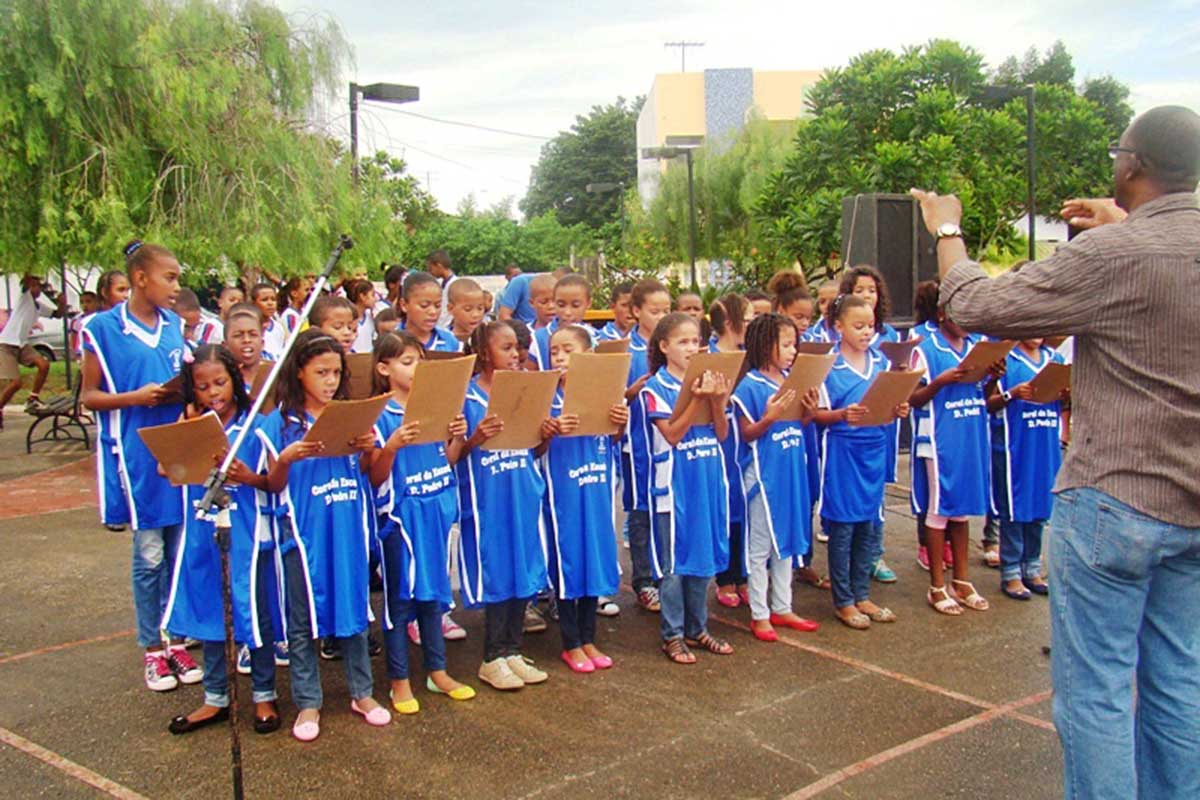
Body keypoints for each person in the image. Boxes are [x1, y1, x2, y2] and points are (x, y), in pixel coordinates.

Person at [912, 105, 1200, 800]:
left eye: (1117, 152)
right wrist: (1128, 223)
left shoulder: (1114, 255)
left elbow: (979, 304)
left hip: (1115, 498)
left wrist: (947, 230)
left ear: (1133, 165)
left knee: (1096, 691)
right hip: (1191, 507)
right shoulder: (1139, 244)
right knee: (1178, 681)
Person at [256, 329, 391, 741]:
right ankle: (307, 701)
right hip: (303, 532)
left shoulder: (353, 414)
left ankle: (362, 693)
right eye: (321, 372)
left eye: (336, 372)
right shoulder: (279, 424)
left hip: (348, 527)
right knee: (302, 619)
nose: (330, 381)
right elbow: (271, 484)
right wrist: (285, 458)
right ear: (299, 373)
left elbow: (372, 473)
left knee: (353, 611)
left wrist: (370, 448)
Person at [80, 241, 201, 691]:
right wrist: (137, 397)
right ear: (139, 278)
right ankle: (153, 647)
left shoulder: (174, 326)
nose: (176, 287)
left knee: (179, 547)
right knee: (149, 552)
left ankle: (177, 640)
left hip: (176, 446)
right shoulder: (102, 329)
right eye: (169, 278)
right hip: (135, 450)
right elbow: (89, 396)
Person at [163, 345, 282, 735]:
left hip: (250, 532)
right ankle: (215, 696)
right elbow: (168, 470)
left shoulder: (256, 424)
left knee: (256, 614)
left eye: (220, 382)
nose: (213, 392)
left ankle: (264, 692)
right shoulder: (190, 424)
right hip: (203, 530)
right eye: (202, 386)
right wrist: (183, 444)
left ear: (235, 380)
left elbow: (273, 482)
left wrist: (247, 477)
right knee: (211, 611)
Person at [368, 331, 476, 712]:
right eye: (406, 362)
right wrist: (393, 444)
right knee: (400, 600)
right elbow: (375, 475)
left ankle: (438, 670)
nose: (416, 369)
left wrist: (458, 439)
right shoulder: (379, 414)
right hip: (401, 517)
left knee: (433, 598)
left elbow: (445, 459)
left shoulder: (436, 405)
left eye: (419, 361)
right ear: (384, 368)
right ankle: (399, 680)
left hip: (436, 508)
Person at [456, 321, 551, 690]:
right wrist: (476, 437)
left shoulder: (526, 391)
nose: (517, 355)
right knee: (497, 573)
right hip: (488, 500)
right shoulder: (467, 397)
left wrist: (545, 436)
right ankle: (492, 656)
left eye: (519, 348)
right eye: (507, 348)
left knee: (523, 569)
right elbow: (453, 453)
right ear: (484, 352)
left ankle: (513, 650)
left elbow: (535, 449)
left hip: (523, 492)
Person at [641, 312, 734, 664]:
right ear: (664, 346)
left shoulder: (712, 380)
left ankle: (698, 628)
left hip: (707, 478)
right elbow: (674, 435)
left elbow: (722, 433)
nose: (691, 348)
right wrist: (697, 397)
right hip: (674, 487)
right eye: (682, 341)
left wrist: (716, 400)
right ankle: (673, 634)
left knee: (703, 558)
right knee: (674, 565)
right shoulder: (655, 388)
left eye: (696, 341)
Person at [815, 295, 908, 629]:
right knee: (843, 527)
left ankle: (862, 593)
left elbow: (890, 401)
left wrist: (899, 408)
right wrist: (841, 414)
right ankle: (843, 600)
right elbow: (815, 414)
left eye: (870, 325)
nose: (866, 332)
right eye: (858, 326)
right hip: (842, 451)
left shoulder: (881, 363)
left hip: (874, 449)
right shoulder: (828, 365)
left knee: (868, 525)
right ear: (838, 327)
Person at [540, 325, 624, 672]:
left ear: (588, 355)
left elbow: (613, 439)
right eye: (554, 351)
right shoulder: (546, 396)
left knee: (593, 560)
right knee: (568, 563)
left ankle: (589, 638)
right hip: (563, 496)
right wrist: (550, 430)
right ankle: (571, 642)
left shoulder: (604, 393)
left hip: (596, 491)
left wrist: (619, 423)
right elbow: (535, 446)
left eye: (567, 350)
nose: (559, 357)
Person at [731, 313, 821, 640]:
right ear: (765, 344)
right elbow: (747, 433)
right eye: (785, 344)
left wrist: (809, 409)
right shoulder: (751, 385)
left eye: (794, 344)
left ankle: (782, 606)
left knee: (786, 540)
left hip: (790, 470)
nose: (792, 350)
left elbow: (800, 423)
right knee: (760, 546)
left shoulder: (791, 380)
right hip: (763, 476)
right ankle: (759, 612)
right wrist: (769, 417)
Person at [907, 300, 998, 616]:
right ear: (942, 313)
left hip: (968, 434)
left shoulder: (976, 346)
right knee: (939, 508)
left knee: (961, 511)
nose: (967, 322)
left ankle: (962, 579)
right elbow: (913, 398)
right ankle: (936, 585)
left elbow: (985, 399)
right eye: (960, 314)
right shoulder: (925, 347)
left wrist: (994, 377)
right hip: (938, 438)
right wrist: (941, 381)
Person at [986, 337, 1063, 600]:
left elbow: (1065, 403)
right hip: (1015, 445)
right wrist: (1012, 394)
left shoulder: (1055, 360)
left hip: (1045, 444)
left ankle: (1032, 567)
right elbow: (987, 403)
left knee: (1040, 507)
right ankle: (1011, 572)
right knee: (1015, 509)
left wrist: (1066, 395)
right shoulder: (1006, 360)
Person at [839, 265, 901, 584]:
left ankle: (874, 555)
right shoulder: (834, 347)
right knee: (847, 510)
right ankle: (849, 576)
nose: (867, 295)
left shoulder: (888, 338)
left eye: (872, 290)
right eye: (859, 289)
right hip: (847, 439)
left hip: (880, 431)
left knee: (876, 497)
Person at [624, 279, 673, 613]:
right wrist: (631, 393)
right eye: (655, 311)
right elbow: (603, 397)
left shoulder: (673, 347)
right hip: (636, 443)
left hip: (668, 442)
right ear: (636, 311)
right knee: (640, 510)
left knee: (666, 510)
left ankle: (667, 575)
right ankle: (644, 579)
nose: (662, 316)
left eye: (667, 310)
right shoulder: (624, 351)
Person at [708, 293, 750, 609]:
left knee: (744, 506)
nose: (750, 325)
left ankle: (742, 573)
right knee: (723, 506)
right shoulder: (708, 357)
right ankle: (724, 577)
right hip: (717, 441)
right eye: (745, 319)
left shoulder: (748, 357)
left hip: (744, 444)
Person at [0, 274, 59, 423]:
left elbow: (57, 314)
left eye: (38, 286)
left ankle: (33, 398)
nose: (36, 289)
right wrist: (29, 262)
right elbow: (25, 283)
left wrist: (62, 303)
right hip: (6, 344)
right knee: (16, 383)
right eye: (33, 286)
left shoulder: (39, 306)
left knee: (44, 364)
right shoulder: (24, 297)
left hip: (21, 344)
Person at [528, 274, 594, 370]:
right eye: (561, 305)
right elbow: (529, 378)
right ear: (554, 302)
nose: (567, 312)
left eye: (575, 306)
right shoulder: (539, 339)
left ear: (588, 304)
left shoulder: (596, 337)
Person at [398, 272, 461, 353]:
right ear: (404, 305)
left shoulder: (449, 341)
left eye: (437, 306)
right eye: (424, 306)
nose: (433, 312)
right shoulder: (391, 342)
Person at [425, 249, 460, 329]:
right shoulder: (439, 283)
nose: (430, 272)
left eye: (431, 269)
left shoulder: (455, 285)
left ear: (439, 266)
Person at [446, 278, 487, 344]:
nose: (476, 315)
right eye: (468, 309)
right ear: (450, 308)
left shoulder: (489, 338)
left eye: (480, 308)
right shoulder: (443, 339)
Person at [250, 283, 286, 360]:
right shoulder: (248, 327)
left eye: (273, 299)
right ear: (253, 303)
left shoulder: (279, 328)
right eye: (264, 300)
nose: (270, 303)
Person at [346, 279, 379, 353]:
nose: (376, 299)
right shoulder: (347, 319)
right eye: (372, 295)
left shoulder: (370, 317)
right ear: (362, 296)